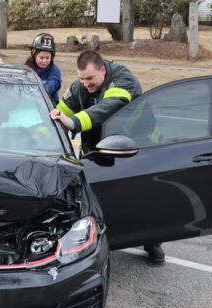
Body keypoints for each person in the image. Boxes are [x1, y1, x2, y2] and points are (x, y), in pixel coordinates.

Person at [49, 50, 165, 263]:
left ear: (102, 70)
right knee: (97, 197)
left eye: (90, 79)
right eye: (81, 79)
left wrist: (73, 122)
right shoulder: (81, 85)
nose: (85, 84)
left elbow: (106, 109)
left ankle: (152, 241)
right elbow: (59, 111)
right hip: (101, 148)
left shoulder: (123, 81)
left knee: (143, 197)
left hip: (138, 147)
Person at [24, 33, 61, 103]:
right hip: (28, 103)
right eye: (41, 57)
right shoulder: (26, 67)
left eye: (47, 58)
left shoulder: (55, 70)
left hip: (48, 105)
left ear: (52, 57)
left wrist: (37, 94)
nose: (44, 61)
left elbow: (52, 85)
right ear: (34, 56)